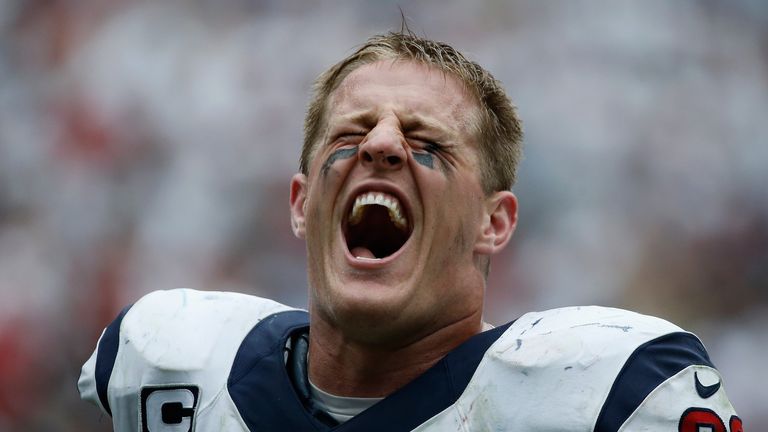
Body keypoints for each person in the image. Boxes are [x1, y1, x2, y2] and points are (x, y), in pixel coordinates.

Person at [78, 31, 742, 431]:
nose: (384, 145)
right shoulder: (167, 361)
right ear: (302, 204)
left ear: (494, 222)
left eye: (426, 139)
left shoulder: (607, 392)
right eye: (351, 131)